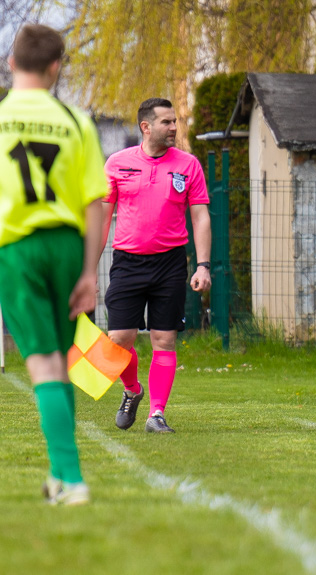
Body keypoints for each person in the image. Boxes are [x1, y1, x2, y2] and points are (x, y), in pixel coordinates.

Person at [0, 24, 106, 504]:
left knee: (41, 363)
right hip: (66, 245)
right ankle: (61, 478)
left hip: (17, 247)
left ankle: (72, 478)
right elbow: (94, 203)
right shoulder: (75, 120)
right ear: (55, 67)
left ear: (10, 62)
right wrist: (89, 272)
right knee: (60, 362)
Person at [101, 98, 211, 433]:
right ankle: (132, 391)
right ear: (145, 127)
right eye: (167, 122)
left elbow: (201, 216)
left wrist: (203, 265)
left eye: (175, 121)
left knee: (164, 339)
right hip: (127, 262)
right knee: (119, 338)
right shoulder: (117, 163)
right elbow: (102, 218)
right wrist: (85, 270)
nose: (174, 128)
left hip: (170, 263)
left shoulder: (188, 165)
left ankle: (156, 414)